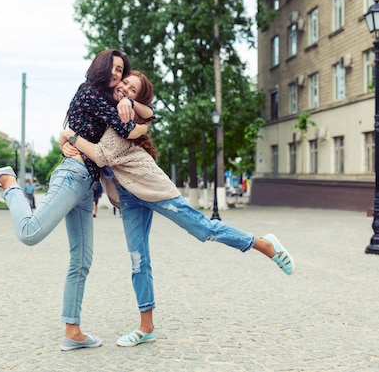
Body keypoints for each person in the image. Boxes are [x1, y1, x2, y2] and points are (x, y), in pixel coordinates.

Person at [60, 70, 295, 348]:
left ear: (138, 99)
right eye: (124, 83)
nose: (124, 88)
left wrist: (71, 136)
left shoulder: (129, 118)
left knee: (203, 229)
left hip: (153, 188)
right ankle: (146, 326)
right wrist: (65, 139)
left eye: (132, 89)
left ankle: (264, 245)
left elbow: (100, 154)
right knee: (138, 259)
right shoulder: (110, 113)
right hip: (128, 195)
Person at [0, 49, 153, 351]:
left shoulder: (111, 101)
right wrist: (134, 116)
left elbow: (143, 114)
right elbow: (128, 129)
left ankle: (72, 331)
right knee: (30, 232)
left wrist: (128, 102)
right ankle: (9, 182)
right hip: (73, 174)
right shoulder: (90, 92)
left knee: (81, 260)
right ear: (100, 67)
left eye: (121, 70)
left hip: (86, 184)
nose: (116, 74)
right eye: (112, 67)